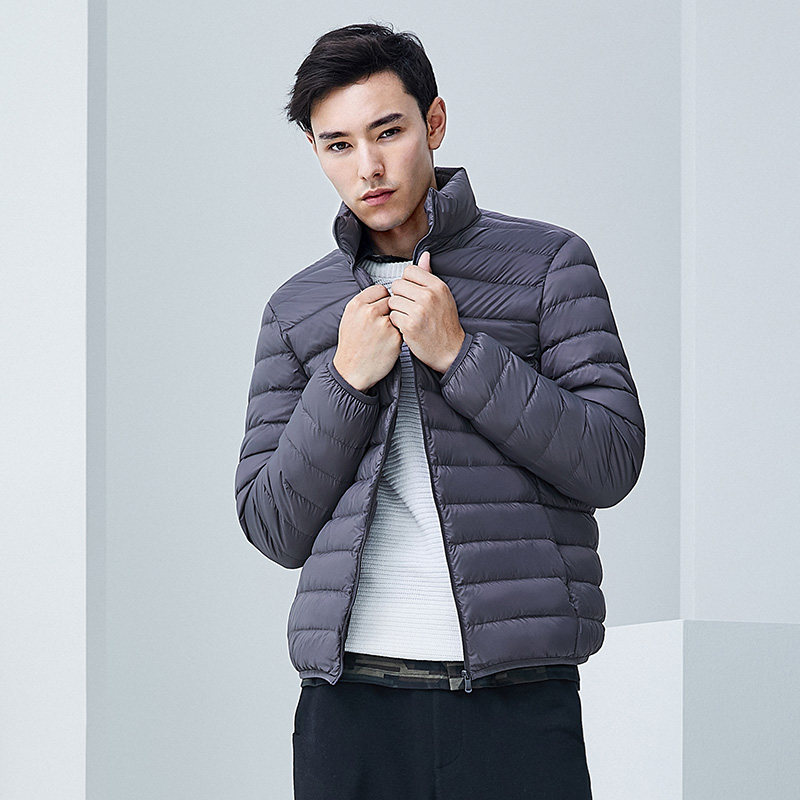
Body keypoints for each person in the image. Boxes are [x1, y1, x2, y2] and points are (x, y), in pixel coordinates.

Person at [234, 22, 645, 800]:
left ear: (434, 122)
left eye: (387, 131)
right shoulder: (297, 310)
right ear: (316, 152)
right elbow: (273, 525)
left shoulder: (548, 265)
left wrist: (461, 354)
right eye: (338, 145)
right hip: (350, 707)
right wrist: (345, 382)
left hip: (516, 701)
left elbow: (611, 460)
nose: (368, 166)